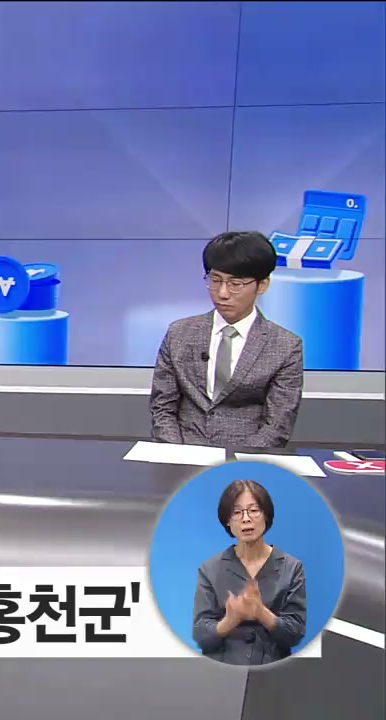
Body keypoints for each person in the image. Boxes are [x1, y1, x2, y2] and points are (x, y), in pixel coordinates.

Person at [149, 230, 304, 448]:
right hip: (182, 454)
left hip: (245, 458)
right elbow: (162, 407)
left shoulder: (285, 346)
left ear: (262, 285)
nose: (222, 293)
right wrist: (177, 453)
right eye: (215, 280)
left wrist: (235, 462)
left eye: (235, 284)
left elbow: (277, 425)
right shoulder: (179, 334)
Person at [192, 479, 307, 665]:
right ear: (227, 521)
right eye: (237, 512)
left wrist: (261, 612)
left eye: (253, 510)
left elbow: (295, 634)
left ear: (266, 515)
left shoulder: (292, 567)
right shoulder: (210, 569)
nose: (246, 518)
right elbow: (200, 634)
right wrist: (230, 620)